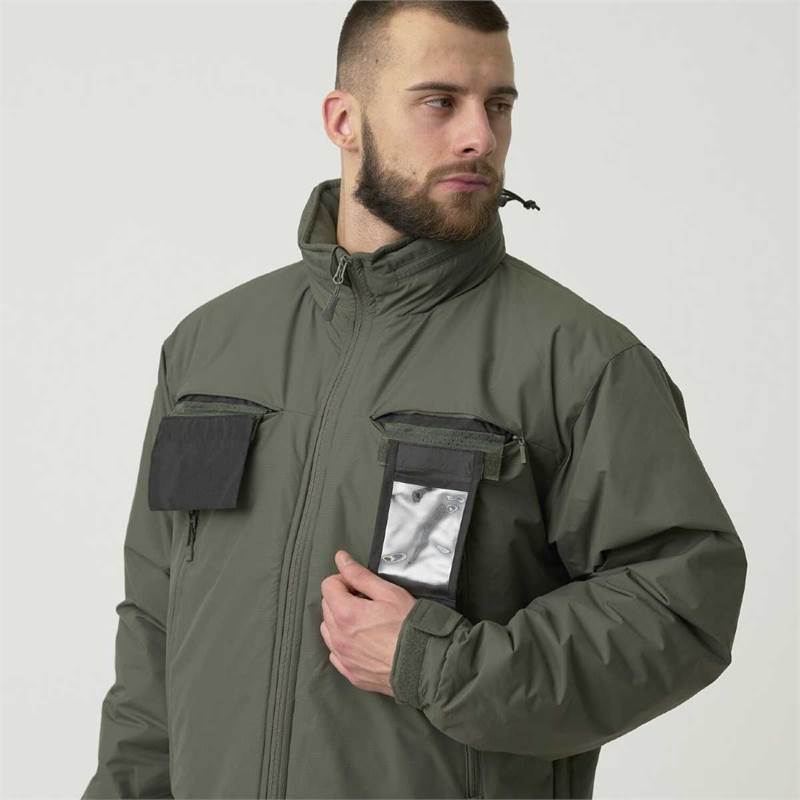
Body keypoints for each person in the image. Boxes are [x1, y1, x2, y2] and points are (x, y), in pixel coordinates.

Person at [82, 2, 748, 798]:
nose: (480, 137)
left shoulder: (578, 363)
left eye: (498, 106)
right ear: (344, 120)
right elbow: (155, 629)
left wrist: (433, 664)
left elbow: (680, 607)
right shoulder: (211, 350)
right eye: (440, 102)